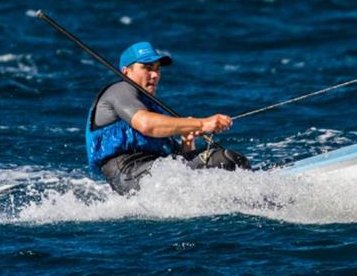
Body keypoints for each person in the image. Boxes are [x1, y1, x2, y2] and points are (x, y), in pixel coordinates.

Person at [86, 41, 250, 194]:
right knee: (226, 159)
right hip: (130, 176)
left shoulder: (150, 107)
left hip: (150, 174)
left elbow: (182, 162)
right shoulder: (120, 89)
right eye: (147, 67)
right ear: (126, 71)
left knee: (220, 163)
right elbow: (145, 125)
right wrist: (201, 123)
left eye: (157, 69)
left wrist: (187, 141)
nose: (155, 74)